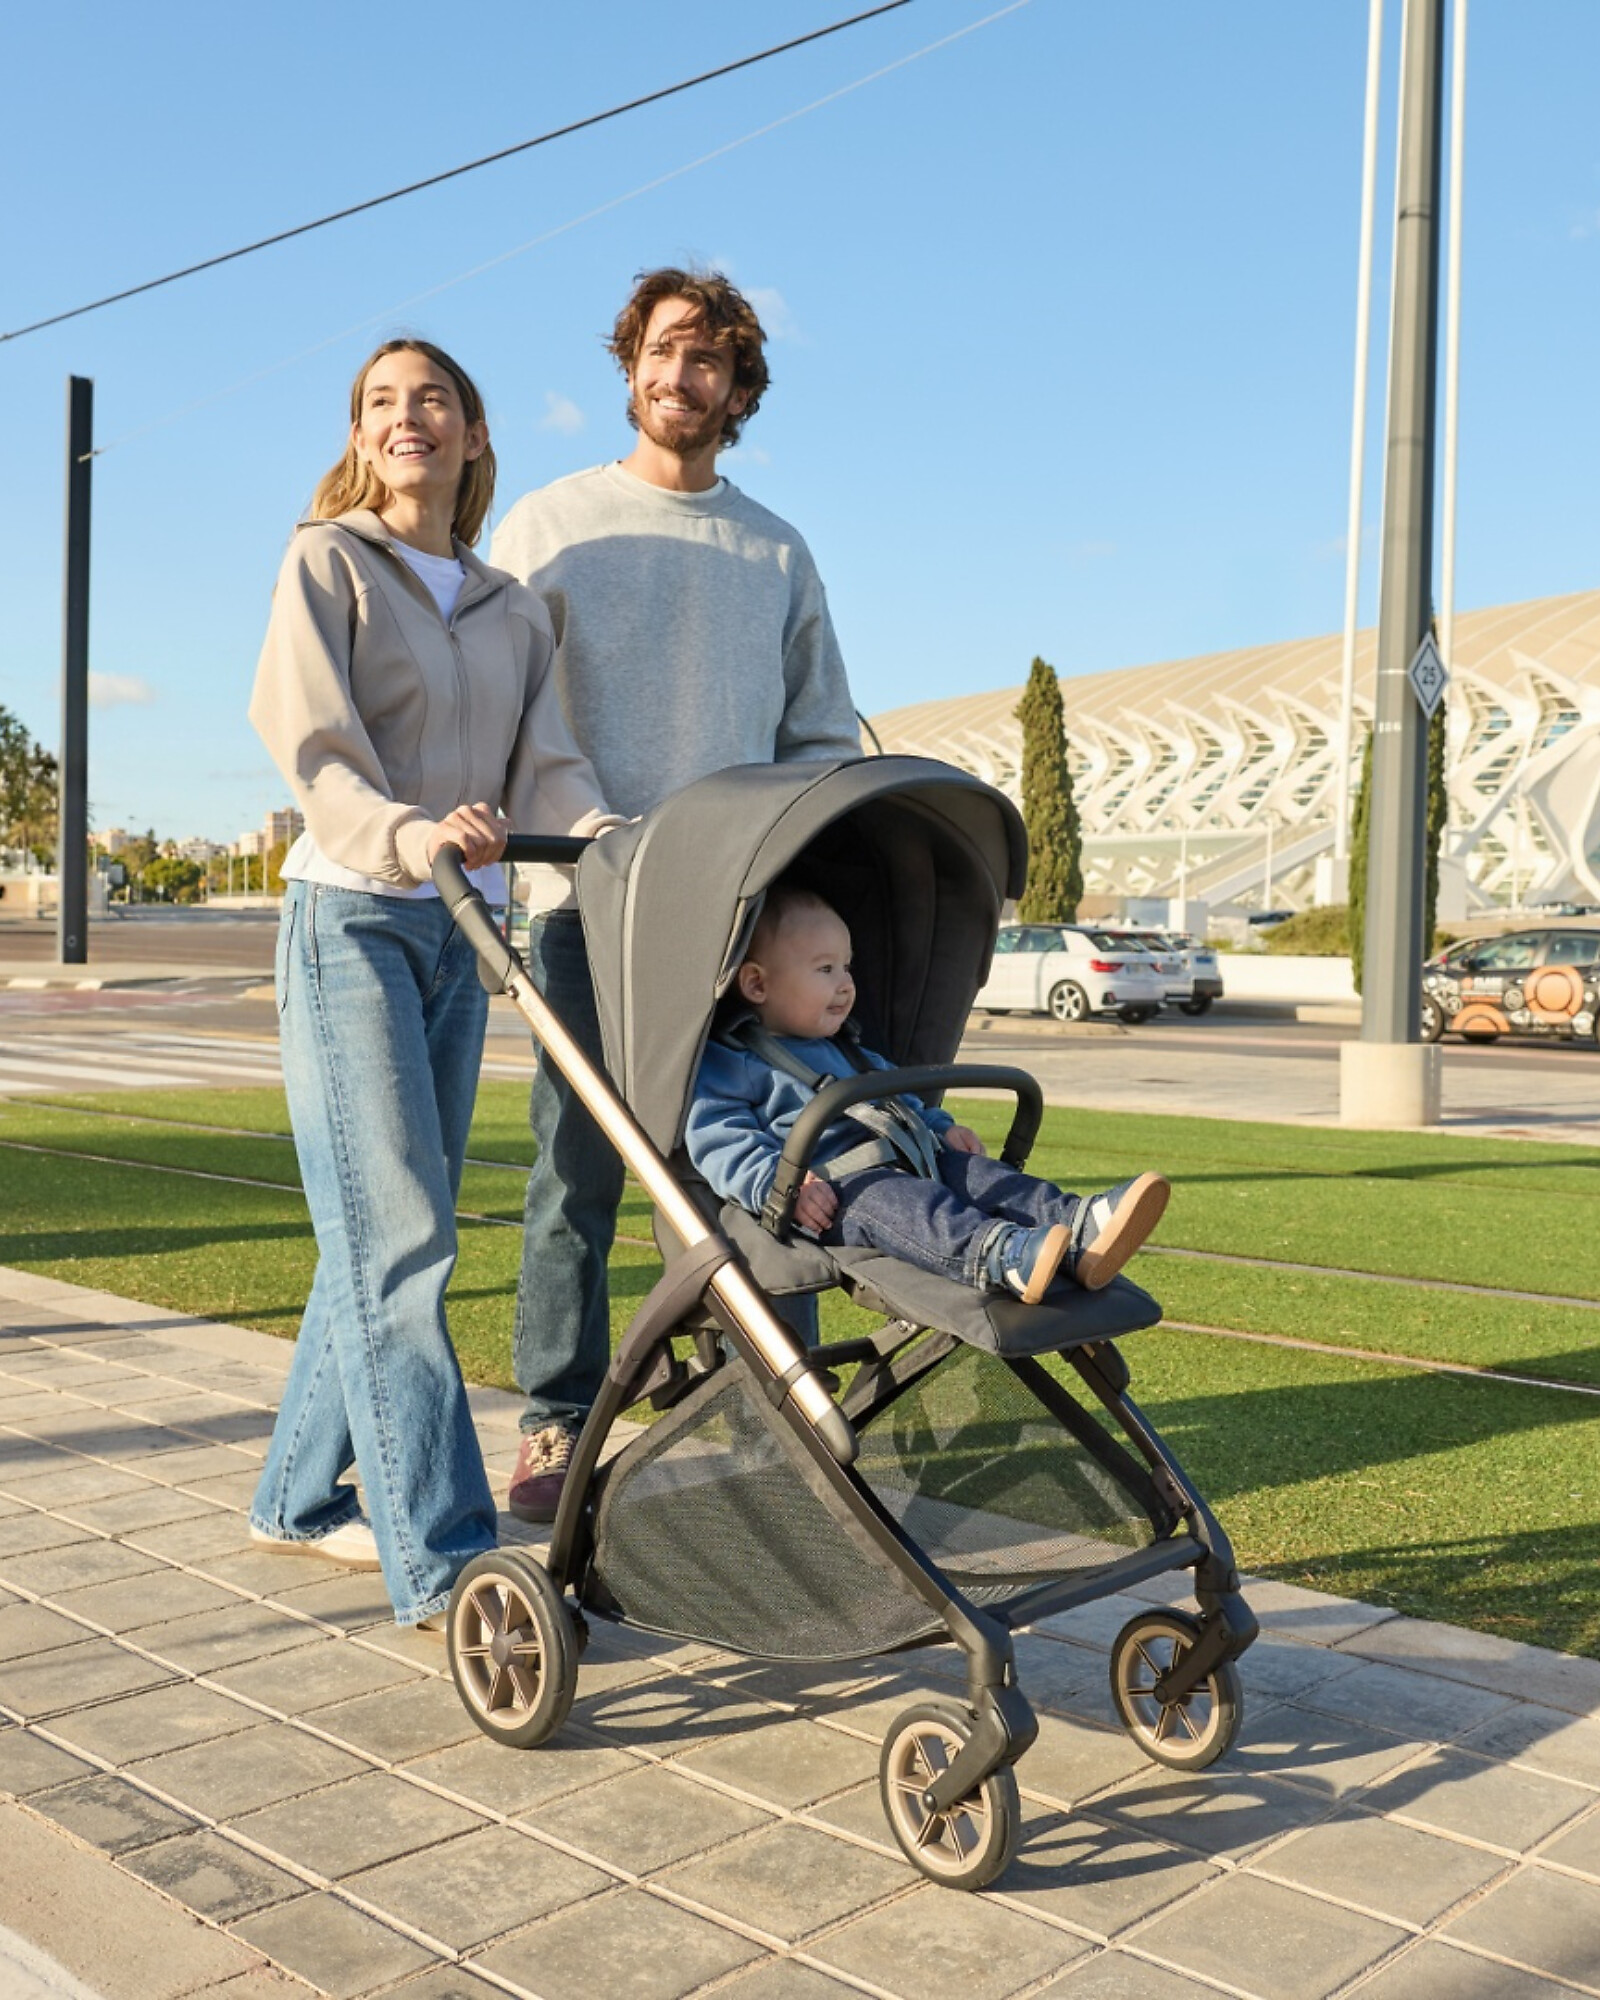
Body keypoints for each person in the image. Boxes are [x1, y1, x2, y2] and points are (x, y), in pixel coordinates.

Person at [247, 338, 617, 1630]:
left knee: (383, 1225)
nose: (409, 417)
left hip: (462, 934)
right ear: (362, 437)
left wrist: (612, 842)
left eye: (434, 399)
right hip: (353, 915)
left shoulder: (515, 607)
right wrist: (405, 833)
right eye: (382, 403)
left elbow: (550, 765)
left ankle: (297, 1497)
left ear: (472, 432)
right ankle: (453, 1561)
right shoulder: (328, 561)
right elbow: (314, 748)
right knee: (402, 1239)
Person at [490, 267, 861, 1520]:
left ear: (738, 387)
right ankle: (555, 1421)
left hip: (730, 918)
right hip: (584, 904)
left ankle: (780, 1411)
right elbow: (498, 703)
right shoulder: (552, 525)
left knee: (768, 1149)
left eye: (707, 359)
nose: (678, 376)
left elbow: (820, 735)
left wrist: (785, 868)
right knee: (576, 1174)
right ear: (629, 364)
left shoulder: (775, 550)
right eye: (660, 351)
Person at [686, 885, 1172, 1300]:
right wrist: (781, 1185)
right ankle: (997, 1255)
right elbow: (719, 1140)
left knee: (979, 1174)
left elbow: (902, 1103)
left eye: (847, 967)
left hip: (908, 1157)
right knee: (908, 1205)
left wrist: (940, 1127)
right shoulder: (733, 1062)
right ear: (757, 984)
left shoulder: (851, 1050)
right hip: (834, 1193)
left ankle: (1078, 1224)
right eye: (825, 969)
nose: (846, 985)